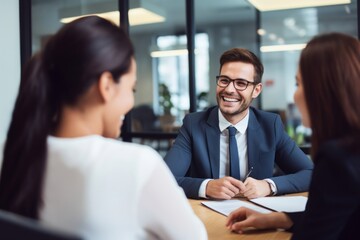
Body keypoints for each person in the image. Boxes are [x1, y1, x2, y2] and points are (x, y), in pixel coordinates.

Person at [0, 16, 207, 240]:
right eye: (132, 89)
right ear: (106, 85)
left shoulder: (11, 152)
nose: (130, 103)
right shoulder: (137, 165)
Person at [226, 33, 360, 239]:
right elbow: (336, 215)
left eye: (298, 84)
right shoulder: (350, 151)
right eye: (224, 80)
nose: (294, 96)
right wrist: (275, 218)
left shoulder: (338, 157)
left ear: (323, 88)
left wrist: (269, 185)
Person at [165, 48, 313, 200]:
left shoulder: (270, 125)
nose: (229, 89)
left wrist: (268, 185)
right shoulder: (193, 124)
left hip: (257, 216)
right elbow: (165, 179)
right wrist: (207, 186)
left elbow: (310, 173)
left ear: (256, 90)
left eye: (241, 83)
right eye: (224, 80)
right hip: (207, 216)